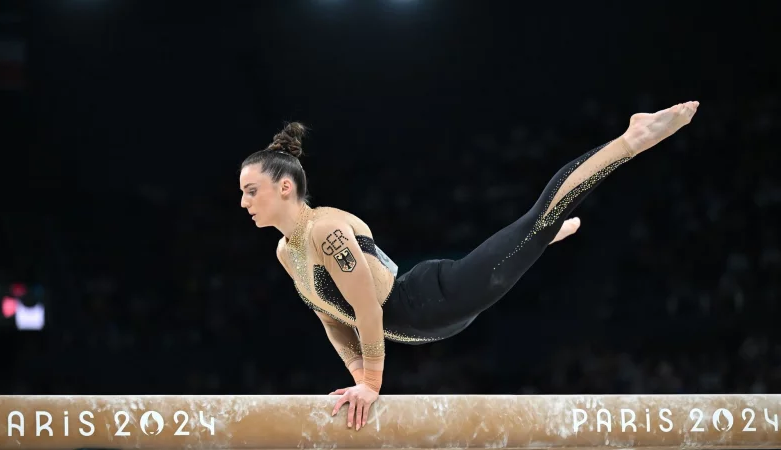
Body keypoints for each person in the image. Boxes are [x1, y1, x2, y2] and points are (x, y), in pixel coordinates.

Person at [238, 101, 699, 430]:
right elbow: (333, 320)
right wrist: (358, 381)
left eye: (251, 190)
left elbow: (367, 309)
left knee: (539, 216)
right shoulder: (287, 253)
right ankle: (533, 239)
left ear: (284, 187)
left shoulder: (325, 232)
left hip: (429, 300)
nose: (243, 202)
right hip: (426, 318)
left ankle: (628, 140)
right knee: (518, 243)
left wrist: (374, 385)